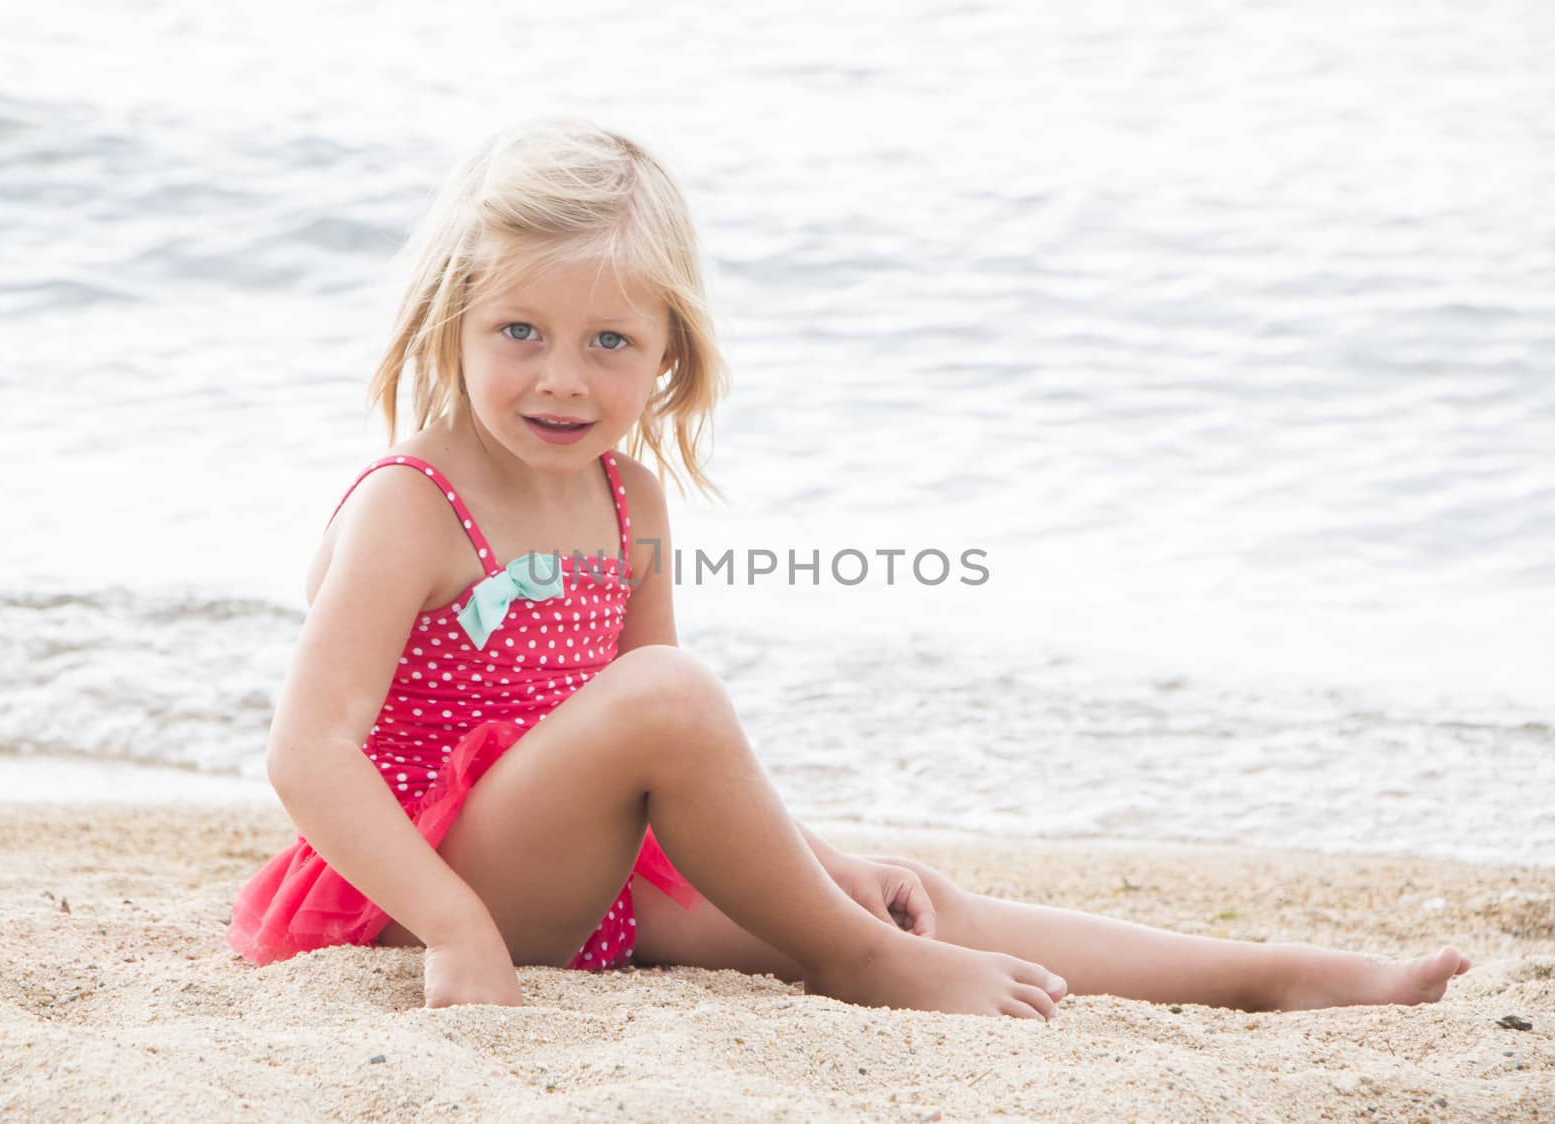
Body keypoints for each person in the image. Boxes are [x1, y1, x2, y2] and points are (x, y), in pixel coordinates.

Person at [227, 117, 1470, 1019]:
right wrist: (450, 926)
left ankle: (1268, 972)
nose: (561, 375)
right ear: (454, 318)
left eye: (609, 340)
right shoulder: (415, 500)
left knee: (901, 892)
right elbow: (309, 749)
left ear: (669, 356)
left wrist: (818, 856)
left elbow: (667, 756)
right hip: (429, 882)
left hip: (583, 874)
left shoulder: (627, 491)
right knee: (677, 697)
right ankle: (855, 963)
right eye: (520, 331)